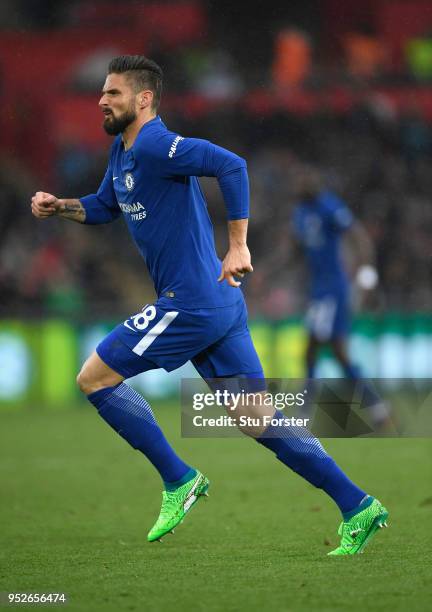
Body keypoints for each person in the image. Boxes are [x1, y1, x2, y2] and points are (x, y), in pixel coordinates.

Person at [31, 55, 388, 554]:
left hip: (192, 301)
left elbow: (230, 164)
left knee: (94, 377)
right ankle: (358, 505)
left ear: (144, 99)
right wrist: (60, 207)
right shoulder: (122, 152)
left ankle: (179, 479)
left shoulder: (157, 144)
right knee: (256, 418)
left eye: (113, 93)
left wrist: (238, 244)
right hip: (219, 303)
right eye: (102, 92)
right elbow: (104, 206)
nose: (102, 100)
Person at [292, 167, 390, 427]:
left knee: (314, 349)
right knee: (335, 352)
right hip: (318, 290)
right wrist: (266, 271)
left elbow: (359, 237)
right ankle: (377, 408)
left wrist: (367, 273)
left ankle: (304, 413)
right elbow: (295, 251)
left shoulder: (329, 206)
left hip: (333, 289)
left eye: (308, 179)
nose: (304, 183)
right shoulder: (300, 213)